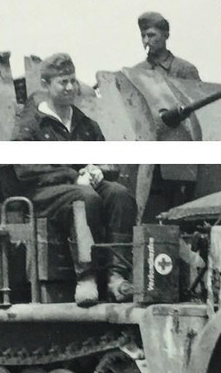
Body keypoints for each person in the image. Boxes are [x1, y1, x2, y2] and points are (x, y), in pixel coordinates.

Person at [9, 53, 137, 307]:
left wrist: (100, 170)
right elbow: (25, 169)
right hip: (44, 194)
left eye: (72, 81)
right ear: (46, 85)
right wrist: (72, 174)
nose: (70, 87)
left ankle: (116, 275)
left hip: (79, 188)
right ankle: (86, 276)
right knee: (85, 198)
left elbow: (106, 159)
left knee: (119, 194)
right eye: (62, 82)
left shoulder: (85, 124)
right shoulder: (31, 123)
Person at [134, 11, 201, 80]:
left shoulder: (185, 70)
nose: (146, 41)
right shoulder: (136, 72)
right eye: (143, 36)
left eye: (151, 35)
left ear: (166, 35)